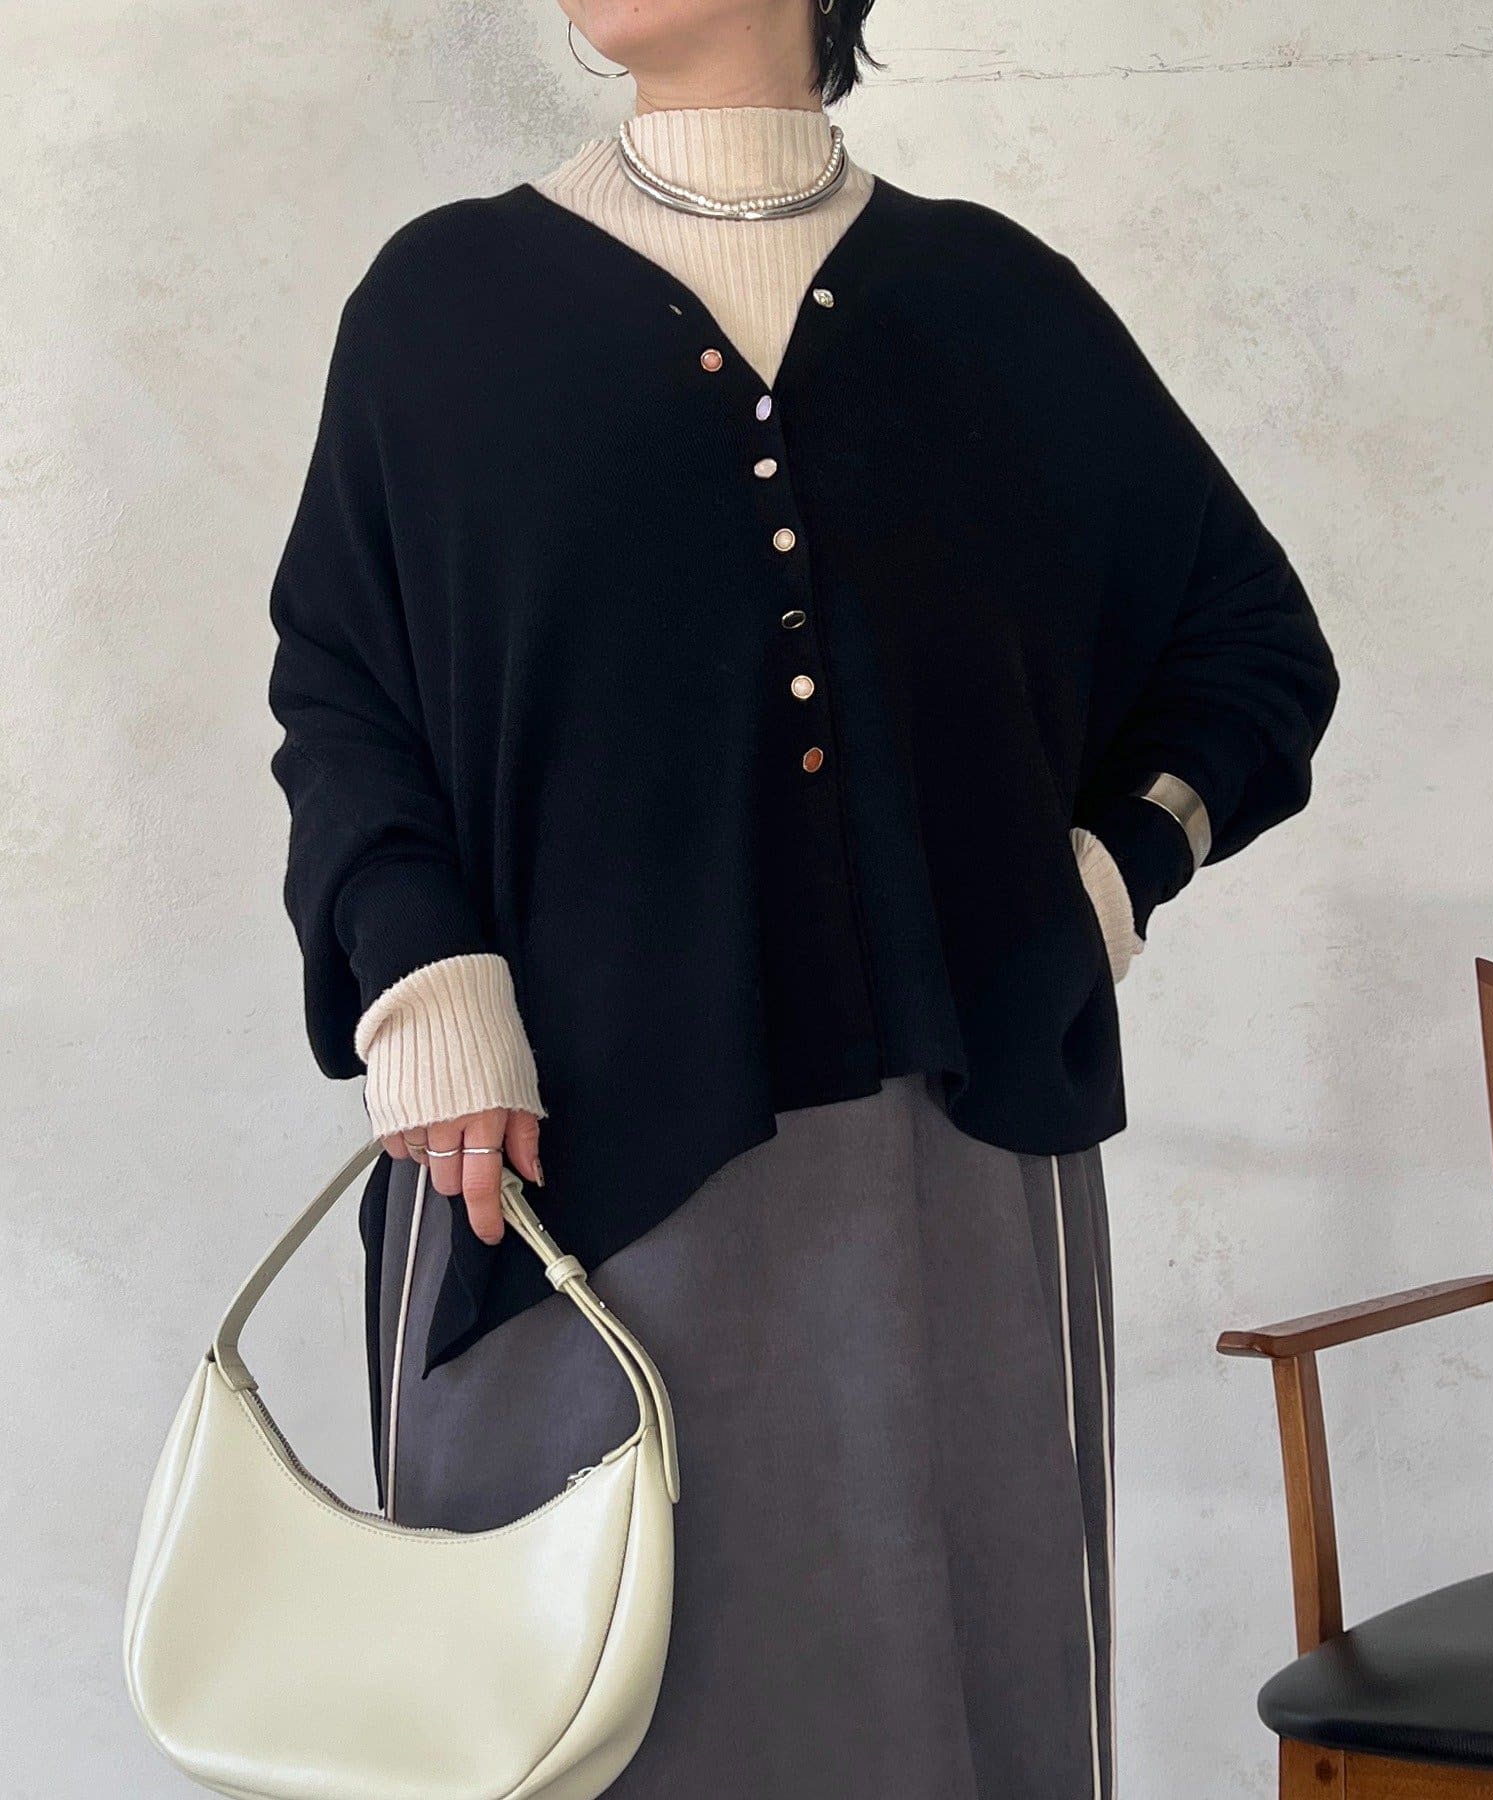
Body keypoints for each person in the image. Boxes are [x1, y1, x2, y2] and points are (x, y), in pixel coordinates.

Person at [265, 1, 1340, 1793]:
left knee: (941, 1699)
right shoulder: (441, 306)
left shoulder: (997, 305)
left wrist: (1100, 885)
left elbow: (1250, 646)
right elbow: (341, 691)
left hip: (945, 1161)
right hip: (542, 1162)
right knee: (557, 1717)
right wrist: (420, 974)